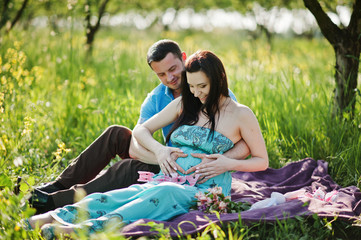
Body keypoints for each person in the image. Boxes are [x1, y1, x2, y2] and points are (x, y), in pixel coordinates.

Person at [27, 50, 268, 239]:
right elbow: (142, 130)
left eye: (202, 86)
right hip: (167, 177)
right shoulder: (186, 102)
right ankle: (51, 216)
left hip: (205, 188)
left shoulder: (240, 114)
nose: (196, 93)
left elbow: (261, 159)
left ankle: (85, 228)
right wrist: (161, 150)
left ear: (218, 79)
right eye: (191, 86)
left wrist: (228, 163)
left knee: (163, 193)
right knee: (124, 194)